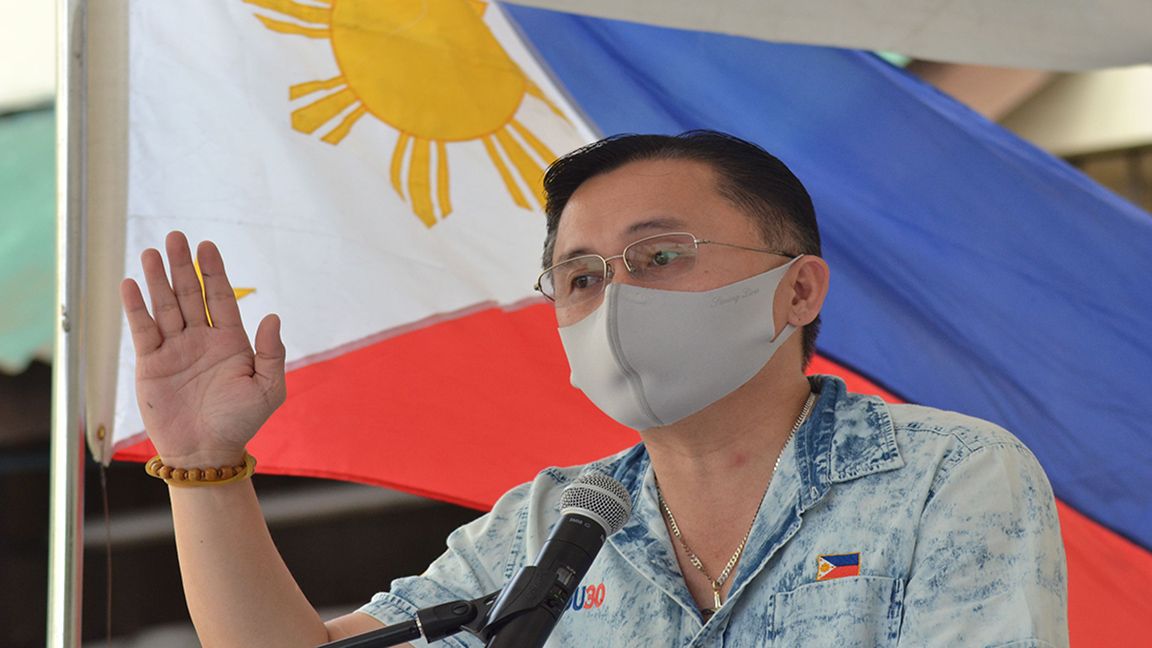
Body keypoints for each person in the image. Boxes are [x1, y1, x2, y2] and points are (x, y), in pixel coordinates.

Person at [121, 131, 1068, 647]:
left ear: (798, 289)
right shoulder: (548, 529)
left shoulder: (950, 474)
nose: (614, 299)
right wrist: (206, 465)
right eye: (579, 277)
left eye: (658, 255)